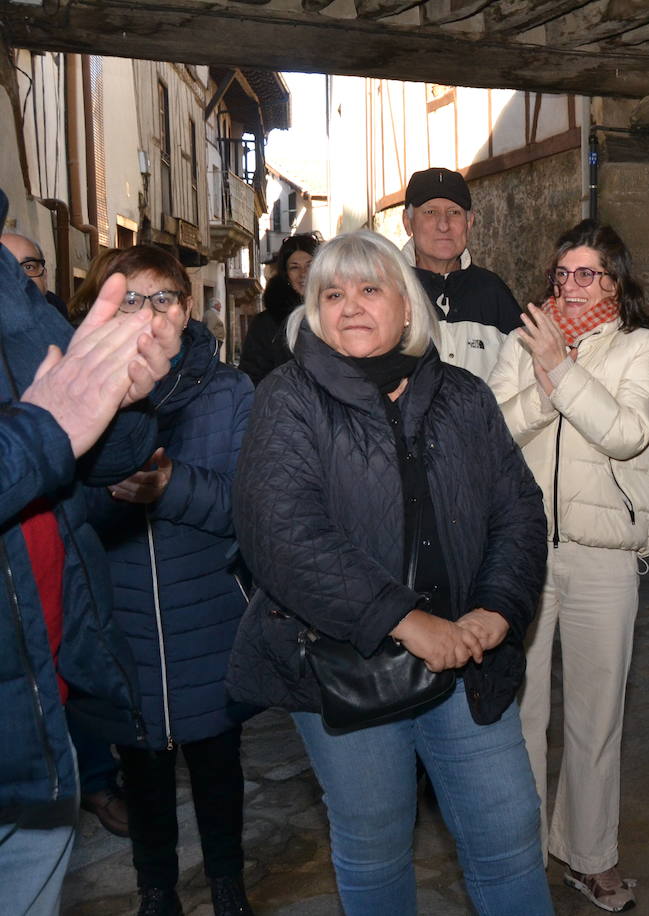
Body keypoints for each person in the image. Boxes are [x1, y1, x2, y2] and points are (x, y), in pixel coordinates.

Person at [226, 229, 552, 916]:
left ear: (408, 306)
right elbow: (282, 537)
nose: (350, 306)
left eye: (370, 288)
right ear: (311, 310)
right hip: (346, 670)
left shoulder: (462, 395)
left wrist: (498, 608)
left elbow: (517, 511)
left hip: (466, 663)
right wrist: (406, 621)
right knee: (374, 851)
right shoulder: (289, 399)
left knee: (509, 836)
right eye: (331, 293)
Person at [0, 188, 177, 916]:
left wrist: (127, 400)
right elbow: (49, 434)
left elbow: (91, 454)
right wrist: (51, 430)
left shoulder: (11, 291)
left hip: (37, 692)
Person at [488, 219, 649, 913]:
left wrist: (560, 369)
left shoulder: (640, 345)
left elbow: (627, 432)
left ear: (614, 280)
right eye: (562, 274)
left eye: (586, 273)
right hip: (523, 551)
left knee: (597, 717)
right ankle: (522, 855)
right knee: (520, 715)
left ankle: (591, 859)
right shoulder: (523, 339)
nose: (570, 285)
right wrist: (547, 372)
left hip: (603, 554)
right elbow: (495, 429)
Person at [80, 246, 257, 916]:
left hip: (207, 611)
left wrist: (171, 486)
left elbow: (248, 506)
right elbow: (72, 513)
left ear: (188, 309)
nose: (149, 314)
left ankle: (227, 883)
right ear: (103, 311)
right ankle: (155, 891)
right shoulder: (80, 391)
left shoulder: (231, 392)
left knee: (218, 766)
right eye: (131, 298)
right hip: (119, 617)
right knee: (143, 773)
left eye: (163, 299)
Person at [401, 167, 521, 380]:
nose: (444, 225)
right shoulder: (389, 291)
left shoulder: (493, 293)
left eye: (454, 212)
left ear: (470, 221)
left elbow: (525, 375)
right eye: (430, 212)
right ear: (408, 222)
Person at [239, 233, 320, 385]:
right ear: (286, 275)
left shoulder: (338, 314)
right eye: (294, 267)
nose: (303, 274)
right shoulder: (265, 325)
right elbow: (252, 378)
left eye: (310, 265)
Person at [2, 231, 68, 318]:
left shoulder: (59, 316)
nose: (18, 277)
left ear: (44, 277)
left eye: (28, 267)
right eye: (4, 268)